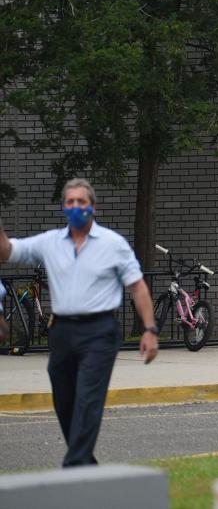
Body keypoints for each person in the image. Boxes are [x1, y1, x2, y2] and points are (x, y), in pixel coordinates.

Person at [0, 178, 160, 467]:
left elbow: (137, 287)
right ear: (63, 207)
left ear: (93, 207)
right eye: (70, 202)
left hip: (99, 331)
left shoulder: (114, 244)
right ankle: (86, 465)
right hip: (61, 331)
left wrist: (149, 329)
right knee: (64, 401)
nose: (76, 207)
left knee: (88, 398)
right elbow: (8, 251)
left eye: (81, 202)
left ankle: (73, 467)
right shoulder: (50, 243)